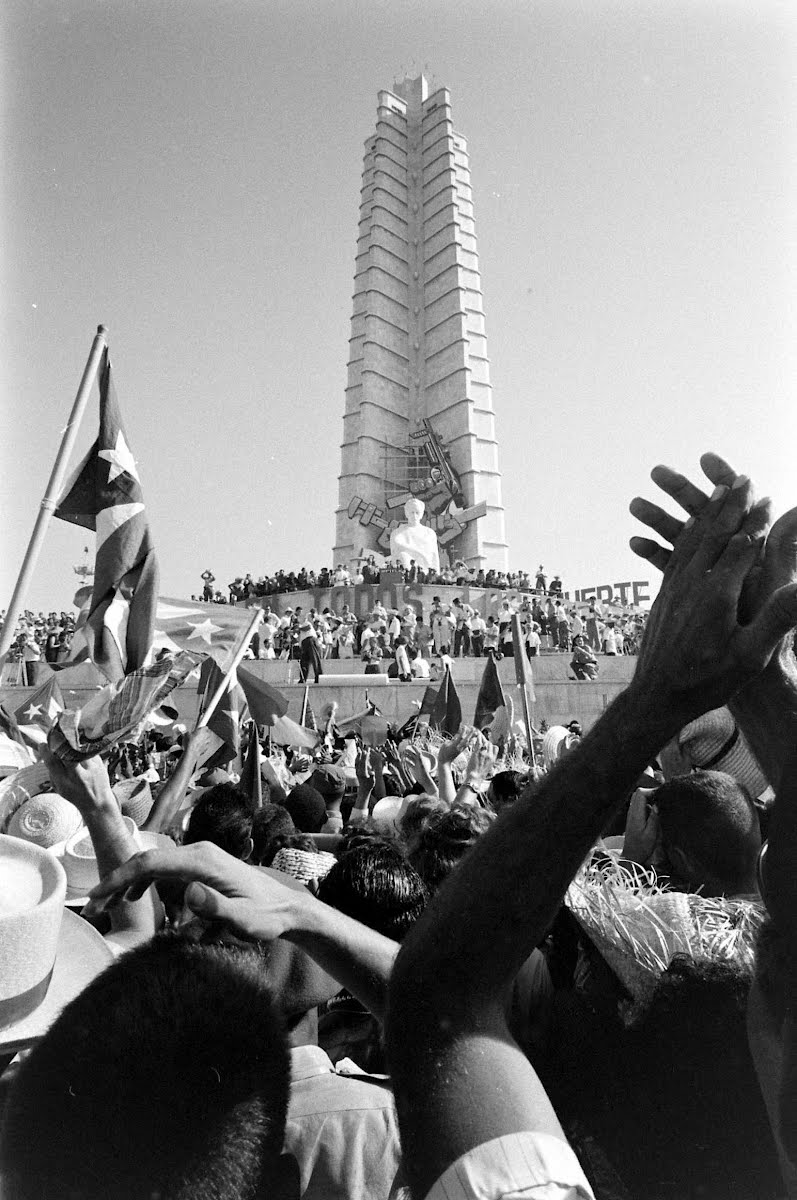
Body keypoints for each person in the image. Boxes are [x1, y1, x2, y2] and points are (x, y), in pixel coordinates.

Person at [389, 497, 441, 573]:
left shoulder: (429, 533)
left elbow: (434, 556)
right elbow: (395, 553)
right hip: (406, 570)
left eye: (417, 512)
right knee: (403, 555)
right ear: (406, 513)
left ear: (422, 514)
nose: (414, 515)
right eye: (411, 512)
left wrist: (437, 573)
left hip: (426, 570)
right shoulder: (397, 533)